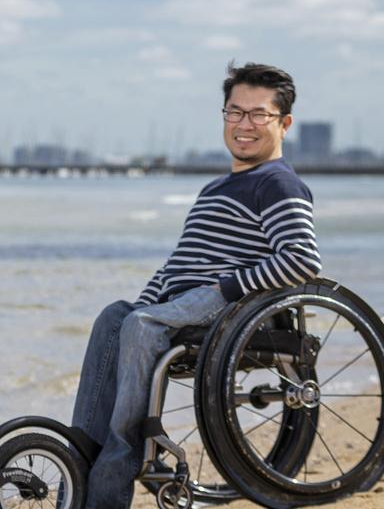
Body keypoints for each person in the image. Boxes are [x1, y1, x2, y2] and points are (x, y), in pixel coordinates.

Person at [71, 62, 322, 509]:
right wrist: (142, 304)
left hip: (231, 308)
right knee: (116, 316)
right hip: (184, 301)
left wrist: (228, 288)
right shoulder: (214, 190)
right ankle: (79, 458)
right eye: (234, 112)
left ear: (284, 123)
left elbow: (302, 260)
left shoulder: (278, 183)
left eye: (258, 114)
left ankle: (113, 479)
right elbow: (176, 267)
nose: (244, 125)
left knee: (143, 326)